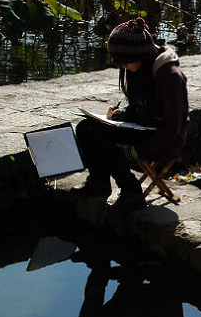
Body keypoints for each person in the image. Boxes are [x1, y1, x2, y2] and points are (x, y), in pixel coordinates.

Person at [72, 17, 189, 211]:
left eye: (125, 62)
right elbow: (142, 107)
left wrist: (137, 150)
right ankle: (98, 182)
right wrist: (123, 115)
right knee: (86, 127)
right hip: (145, 126)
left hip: (165, 137)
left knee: (104, 138)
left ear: (140, 54)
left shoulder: (170, 76)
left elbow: (172, 126)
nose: (123, 67)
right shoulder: (141, 68)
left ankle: (131, 191)